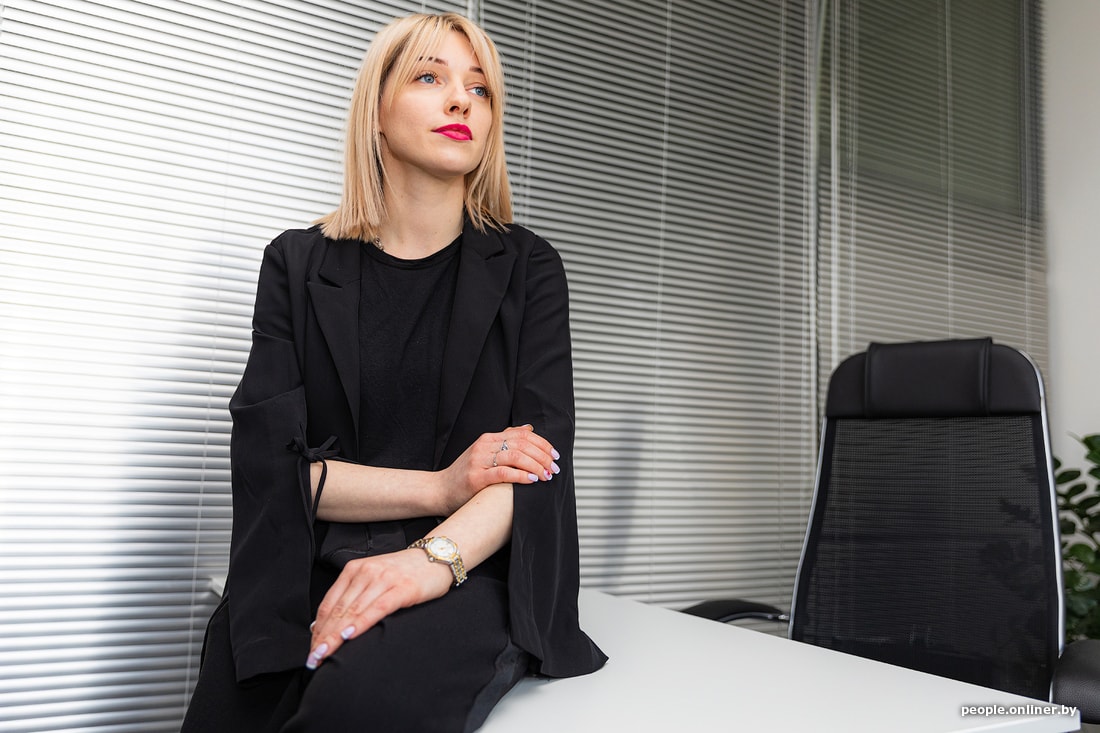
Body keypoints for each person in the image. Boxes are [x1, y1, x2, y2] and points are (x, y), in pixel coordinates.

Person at [181, 12, 606, 733]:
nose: (461, 99)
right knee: (239, 705)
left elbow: (536, 468)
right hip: (303, 563)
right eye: (430, 77)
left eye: (480, 87)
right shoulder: (295, 263)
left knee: (354, 705)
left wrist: (425, 560)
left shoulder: (529, 268)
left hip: (468, 570)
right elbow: (275, 472)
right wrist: (441, 484)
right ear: (375, 111)